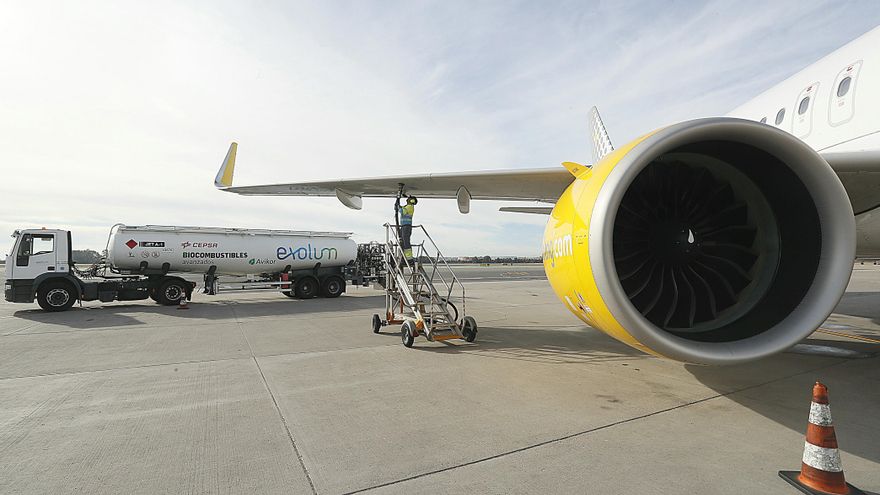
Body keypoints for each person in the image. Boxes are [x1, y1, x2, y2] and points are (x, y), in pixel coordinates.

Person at [397, 195, 417, 261]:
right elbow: (402, 209)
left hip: (406, 226)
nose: (406, 200)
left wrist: (398, 207)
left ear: (411, 201)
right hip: (404, 226)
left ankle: (409, 258)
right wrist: (399, 206)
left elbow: (403, 211)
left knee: (406, 241)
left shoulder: (410, 206)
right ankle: (404, 256)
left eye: (408, 199)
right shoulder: (408, 206)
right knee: (403, 241)